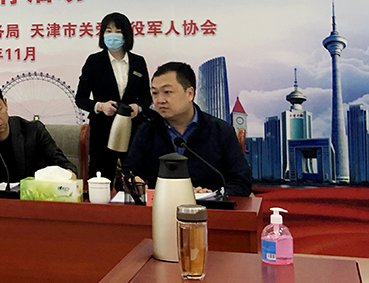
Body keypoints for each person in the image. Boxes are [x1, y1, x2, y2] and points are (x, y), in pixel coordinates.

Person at [123, 62, 252, 197]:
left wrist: (214, 194)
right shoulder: (146, 131)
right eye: (155, 93)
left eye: (167, 92)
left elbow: (241, 182)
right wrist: (133, 182)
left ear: (190, 93)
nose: (159, 100)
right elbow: (126, 175)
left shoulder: (221, 131)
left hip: (210, 207)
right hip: (161, 205)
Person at [0, 79, 77, 182]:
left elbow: (64, 165)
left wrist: (69, 174)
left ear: (5, 104)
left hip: (29, 201)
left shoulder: (34, 132)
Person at [75, 12, 151, 177]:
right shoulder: (94, 61)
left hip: (132, 129)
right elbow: (80, 98)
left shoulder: (138, 62)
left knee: (133, 176)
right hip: (102, 129)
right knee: (100, 177)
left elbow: (147, 97)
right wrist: (100, 106)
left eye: (118, 31)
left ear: (126, 34)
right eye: (108, 31)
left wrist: (137, 108)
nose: (113, 35)